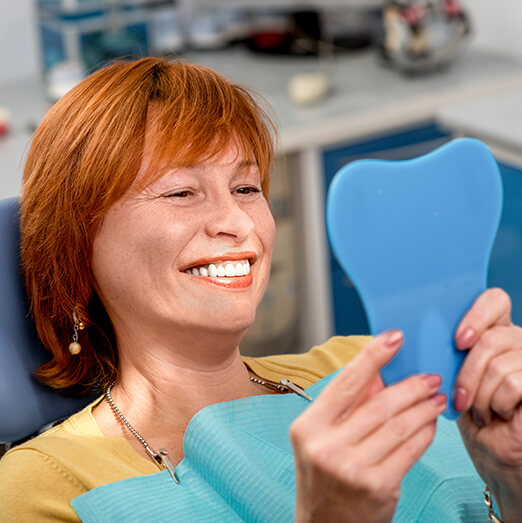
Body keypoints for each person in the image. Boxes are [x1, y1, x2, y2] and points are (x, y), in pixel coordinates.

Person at [0, 57, 520, 522]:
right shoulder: (44, 488)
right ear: (78, 244)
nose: (237, 222)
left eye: (247, 188)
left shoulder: (371, 368)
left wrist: (510, 480)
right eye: (181, 192)